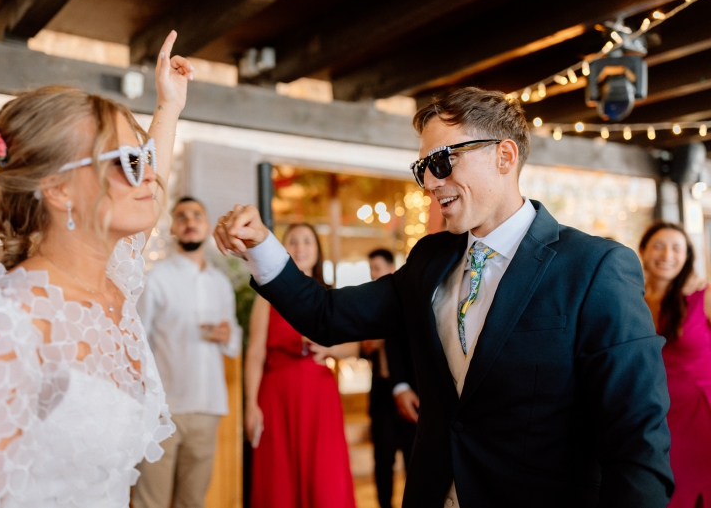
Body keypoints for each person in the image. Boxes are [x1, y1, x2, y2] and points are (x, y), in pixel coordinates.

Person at [213, 87, 673, 507]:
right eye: (422, 169)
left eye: (442, 162)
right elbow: (327, 315)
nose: (430, 184)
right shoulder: (431, 260)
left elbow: (636, 443)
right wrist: (261, 247)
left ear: (505, 156)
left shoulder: (593, 267)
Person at [0, 31, 192, 507]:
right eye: (128, 161)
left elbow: (153, 180)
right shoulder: (2, 324)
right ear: (59, 190)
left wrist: (168, 108)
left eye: (146, 156)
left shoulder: (112, 282)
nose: (147, 173)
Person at [133, 196, 242, 508]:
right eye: (182, 216)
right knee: (150, 501)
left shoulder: (222, 283)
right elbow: (138, 339)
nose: (190, 221)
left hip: (208, 407)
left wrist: (227, 334)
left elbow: (233, 340)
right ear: (174, 228)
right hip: (163, 408)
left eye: (197, 215)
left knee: (193, 501)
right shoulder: (156, 278)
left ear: (207, 227)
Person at [244, 222, 356, 508]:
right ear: (282, 250)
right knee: (279, 479)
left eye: (307, 241)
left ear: (318, 251)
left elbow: (353, 347)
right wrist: (251, 404)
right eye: (293, 241)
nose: (300, 247)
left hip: (320, 395)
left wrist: (330, 347)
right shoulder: (266, 294)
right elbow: (255, 352)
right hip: (277, 394)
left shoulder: (330, 294)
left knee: (325, 479)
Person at [638, 222, 711, 507]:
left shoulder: (703, 295)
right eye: (658, 245)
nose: (667, 254)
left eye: (677, 248)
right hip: (648, 409)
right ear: (643, 251)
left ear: (687, 256)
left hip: (699, 412)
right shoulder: (629, 294)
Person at [362, 248, 417, 508]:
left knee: (412, 459)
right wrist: (366, 346)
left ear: (391, 268)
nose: (374, 274)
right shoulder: (372, 304)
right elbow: (364, 348)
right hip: (382, 393)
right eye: (371, 268)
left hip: (411, 394)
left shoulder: (407, 300)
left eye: (377, 268)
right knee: (382, 461)